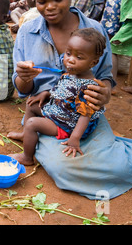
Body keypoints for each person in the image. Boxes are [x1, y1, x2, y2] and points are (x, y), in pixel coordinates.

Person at [9, 0, 132, 200]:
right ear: (34, 0)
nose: (49, 7)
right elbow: (22, 88)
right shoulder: (27, 32)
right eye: (41, 1)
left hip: (82, 116)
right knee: (63, 167)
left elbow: (106, 79)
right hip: (47, 113)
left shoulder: (95, 31)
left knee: (106, 161)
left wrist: (105, 93)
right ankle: (33, 137)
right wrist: (25, 79)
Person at [9, 28, 107, 165]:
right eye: (68, 53)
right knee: (31, 103)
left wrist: (74, 138)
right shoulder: (71, 74)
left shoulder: (87, 87)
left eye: (79, 57)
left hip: (67, 124)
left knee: (32, 124)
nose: (70, 60)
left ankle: (27, 157)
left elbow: (85, 115)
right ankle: (26, 135)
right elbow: (63, 91)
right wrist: (46, 94)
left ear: (93, 63)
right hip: (60, 111)